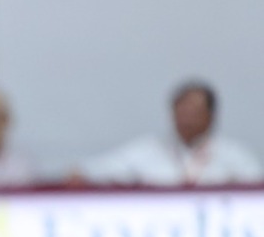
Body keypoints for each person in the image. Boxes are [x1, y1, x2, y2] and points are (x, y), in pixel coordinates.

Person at [82, 79, 263, 187]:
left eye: (194, 112)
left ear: (211, 116)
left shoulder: (234, 155)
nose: (186, 119)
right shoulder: (148, 150)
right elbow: (95, 171)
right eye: (181, 111)